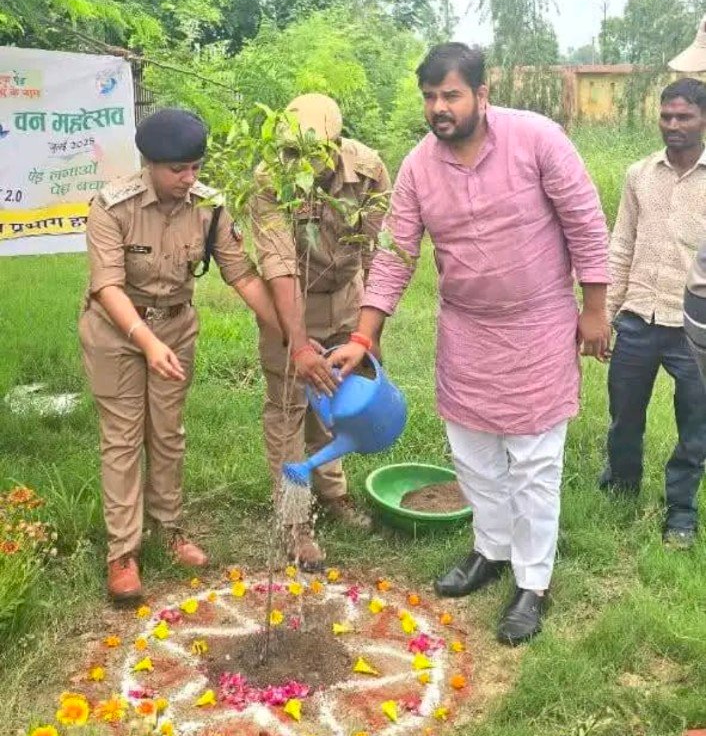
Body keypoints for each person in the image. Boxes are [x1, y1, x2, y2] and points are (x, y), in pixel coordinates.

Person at [330, 43, 610, 645]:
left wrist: (593, 309)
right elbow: (395, 254)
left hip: (537, 325)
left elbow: (586, 221)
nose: (439, 108)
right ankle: (492, 549)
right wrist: (364, 334)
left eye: (451, 95)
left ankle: (533, 582)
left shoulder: (537, 139)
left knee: (534, 462)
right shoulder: (418, 167)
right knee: (474, 457)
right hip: (466, 330)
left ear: (482, 95)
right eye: (430, 97)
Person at [80, 108, 285, 603]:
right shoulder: (111, 207)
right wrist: (146, 343)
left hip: (176, 326)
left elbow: (243, 275)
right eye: (178, 170)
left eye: (195, 167)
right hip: (117, 332)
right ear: (149, 164)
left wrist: (286, 331)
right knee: (124, 437)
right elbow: (107, 286)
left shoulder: (209, 206)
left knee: (168, 433)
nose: (188, 178)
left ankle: (169, 530)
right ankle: (123, 553)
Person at [250, 93, 391, 571]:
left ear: (336, 142)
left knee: (338, 399)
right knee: (289, 407)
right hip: (289, 303)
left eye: (311, 152)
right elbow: (279, 264)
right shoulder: (271, 179)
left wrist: (369, 337)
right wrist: (297, 343)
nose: (300, 162)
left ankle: (332, 494)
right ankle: (295, 523)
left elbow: (378, 253)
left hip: (347, 297)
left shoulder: (369, 170)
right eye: (291, 151)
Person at [601, 79, 706, 549]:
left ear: (703, 119)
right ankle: (621, 486)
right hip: (638, 317)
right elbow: (620, 245)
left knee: (696, 422)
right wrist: (604, 314)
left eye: (684, 117)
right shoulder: (639, 174)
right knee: (624, 415)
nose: (673, 125)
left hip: (694, 328)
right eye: (666, 116)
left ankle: (681, 509)